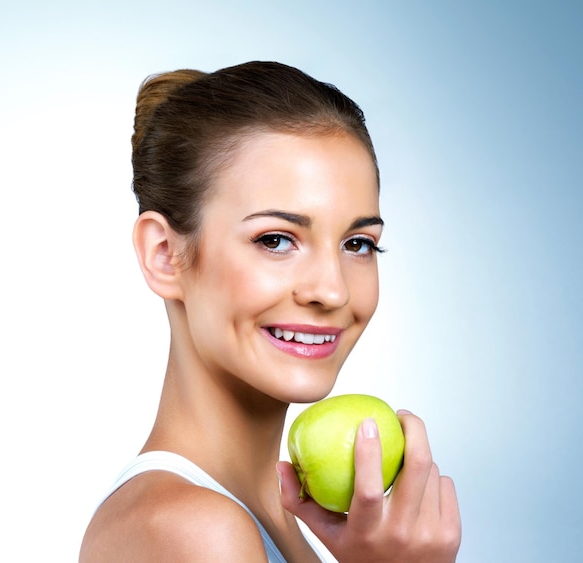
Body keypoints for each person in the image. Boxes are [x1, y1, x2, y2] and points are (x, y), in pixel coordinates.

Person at [79, 61, 461, 562]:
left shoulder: (274, 517)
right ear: (164, 255)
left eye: (358, 244)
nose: (333, 290)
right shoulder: (192, 530)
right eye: (276, 239)